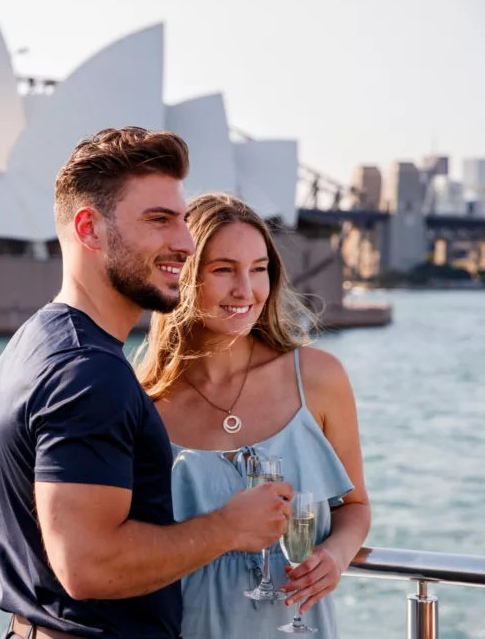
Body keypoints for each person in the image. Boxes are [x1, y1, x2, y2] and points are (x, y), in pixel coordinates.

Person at [0, 128, 294, 639]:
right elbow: (89, 566)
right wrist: (230, 528)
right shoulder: (88, 372)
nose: (185, 242)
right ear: (90, 229)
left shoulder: (37, 340)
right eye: (160, 220)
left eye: (181, 219)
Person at [134, 192, 372, 638]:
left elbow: (354, 506)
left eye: (259, 269)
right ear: (184, 275)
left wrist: (335, 556)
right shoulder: (145, 404)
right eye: (224, 269)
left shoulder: (319, 379)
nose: (246, 290)